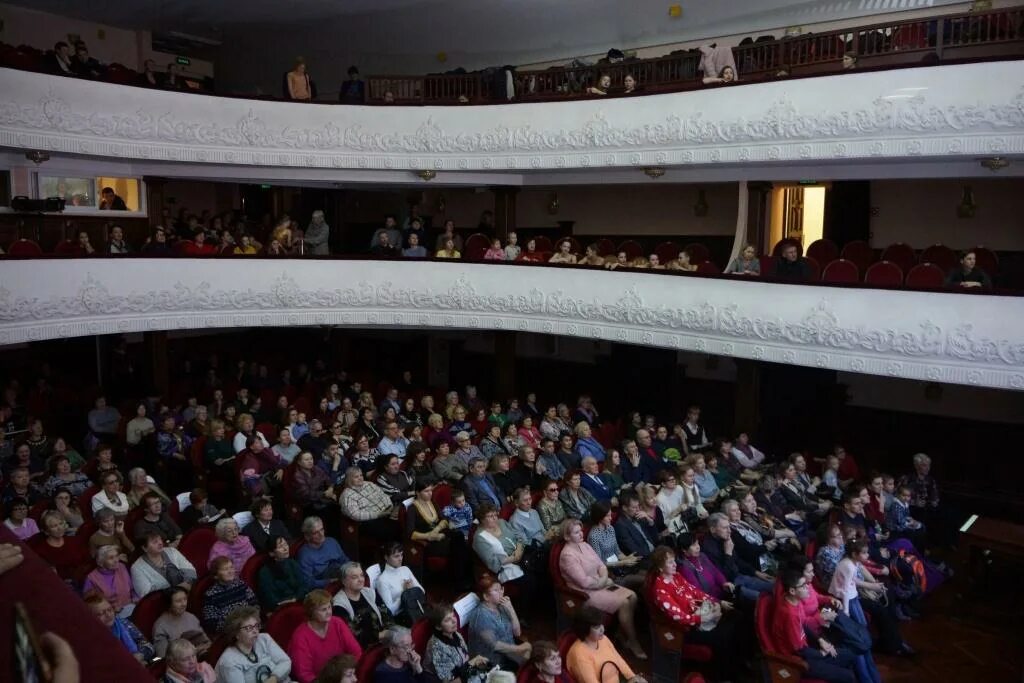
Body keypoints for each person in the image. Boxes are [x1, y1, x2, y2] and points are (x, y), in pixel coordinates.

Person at [648, 546, 747, 679]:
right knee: (723, 636)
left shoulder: (676, 576)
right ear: (660, 568)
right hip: (687, 629)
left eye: (674, 561)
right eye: (670, 562)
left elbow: (696, 592)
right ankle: (724, 676)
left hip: (700, 614)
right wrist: (705, 618)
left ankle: (738, 664)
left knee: (737, 617)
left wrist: (718, 602)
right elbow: (680, 617)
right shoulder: (660, 590)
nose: (675, 564)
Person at [559, 520, 645, 659]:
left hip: (600, 583)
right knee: (624, 603)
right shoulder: (567, 556)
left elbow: (601, 565)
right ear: (567, 537)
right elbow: (583, 582)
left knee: (633, 596)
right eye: (576, 532)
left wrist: (604, 577)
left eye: (581, 530)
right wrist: (604, 582)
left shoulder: (585, 545)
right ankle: (633, 642)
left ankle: (622, 634)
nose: (581, 534)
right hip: (585, 593)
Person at [772, 568, 858, 683]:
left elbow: (803, 625)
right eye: (803, 586)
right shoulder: (789, 615)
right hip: (799, 660)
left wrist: (820, 640)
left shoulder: (794, 601)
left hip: (807, 647)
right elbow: (798, 649)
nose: (808, 587)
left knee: (850, 656)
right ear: (792, 591)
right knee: (848, 676)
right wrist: (821, 653)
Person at [288, 589, 362, 683]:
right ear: (312, 612)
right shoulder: (300, 636)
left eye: (329, 607)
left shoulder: (337, 623)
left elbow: (356, 652)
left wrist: (349, 674)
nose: (328, 612)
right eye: (323, 609)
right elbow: (304, 674)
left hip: (344, 677)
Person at [702, 512, 774, 600]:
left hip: (741, 576)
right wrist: (728, 553)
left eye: (729, 526)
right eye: (725, 528)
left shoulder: (724, 537)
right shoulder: (708, 549)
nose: (729, 530)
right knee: (766, 600)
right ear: (713, 529)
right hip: (732, 585)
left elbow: (738, 561)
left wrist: (756, 573)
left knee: (774, 587)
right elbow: (726, 576)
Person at [565, 607, 647, 683]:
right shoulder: (579, 654)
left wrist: (633, 677)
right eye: (596, 627)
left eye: (602, 624)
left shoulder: (603, 639)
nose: (602, 629)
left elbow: (618, 659)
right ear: (584, 629)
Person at [466, 576, 531, 670]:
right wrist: (520, 649)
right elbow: (494, 645)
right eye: (496, 590)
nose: (501, 592)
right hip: (492, 662)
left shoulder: (502, 606)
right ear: (486, 596)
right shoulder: (481, 616)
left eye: (501, 588)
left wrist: (511, 609)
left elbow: (517, 633)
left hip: (508, 653)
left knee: (535, 657)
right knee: (531, 662)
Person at [214, 605, 292, 682]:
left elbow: (285, 661)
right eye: (249, 628)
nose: (255, 631)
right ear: (236, 633)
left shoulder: (264, 639)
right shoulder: (229, 661)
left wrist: (273, 679)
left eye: (256, 626)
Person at [332, 561, 394, 648]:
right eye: (355, 577)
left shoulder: (370, 592)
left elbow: (387, 614)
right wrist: (381, 635)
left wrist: (391, 632)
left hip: (383, 642)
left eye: (362, 575)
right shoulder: (339, 605)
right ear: (344, 581)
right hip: (361, 649)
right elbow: (351, 636)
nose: (361, 579)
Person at [424, 602, 488, 683]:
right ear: (438, 627)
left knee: (489, 670)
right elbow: (450, 681)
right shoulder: (436, 646)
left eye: (453, 616)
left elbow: (464, 662)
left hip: (463, 675)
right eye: (447, 620)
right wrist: (472, 664)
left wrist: (475, 665)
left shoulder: (455, 634)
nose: (454, 621)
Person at [84, 592, 155, 664]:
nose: (108, 615)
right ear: (91, 619)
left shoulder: (124, 623)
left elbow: (149, 646)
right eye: (100, 613)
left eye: (109, 609)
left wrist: (140, 655)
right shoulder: (92, 640)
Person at [472, 503, 529, 587]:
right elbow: (493, 563)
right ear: (482, 519)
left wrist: (518, 551)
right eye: (491, 516)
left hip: (522, 553)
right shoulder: (479, 538)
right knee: (529, 580)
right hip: (508, 566)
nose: (495, 518)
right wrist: (514, 558)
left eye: (495, 514)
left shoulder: (502, 522)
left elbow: (518, 536)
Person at [338, 467, 400, 541]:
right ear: (349, 480)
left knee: (403, 519)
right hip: (369, 521)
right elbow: (355, 514)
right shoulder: (347, 495)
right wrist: (378, 514)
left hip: (386, 512)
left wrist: (390, 506)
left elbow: (383, 495)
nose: (360, 478)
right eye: (356, 477)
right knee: (390, 529)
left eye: (361, 475)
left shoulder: (369, 484)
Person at [131, 532, 198, 597]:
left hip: (188, 591)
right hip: (162, 603)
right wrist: (176, 591)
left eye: (160, 539)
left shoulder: (172, 551)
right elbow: (146, 594)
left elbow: (191, 571)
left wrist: (185, 585)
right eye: (155, 542)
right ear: (144, 548)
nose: (160, 543)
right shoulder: (137, 568)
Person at [203, 555, 259, 632]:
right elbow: (212, 624)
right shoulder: (211, 595)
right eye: (225, 569)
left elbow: (255, 605)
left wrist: (251, 621)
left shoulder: (241, 584)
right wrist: (238, 624)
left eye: (231, 567)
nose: (230, 571)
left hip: (251, 625)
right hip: (231, 631)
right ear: (216, 575)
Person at [374, 542, 426, 622]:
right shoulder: (382, 580)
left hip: (416, 610)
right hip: (401, 618)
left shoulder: (405, 569)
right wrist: (405, 592)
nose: (400, 558)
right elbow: (390, 611)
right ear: (386, 557)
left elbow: (422, 591)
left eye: (401, 555)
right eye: (396, 556)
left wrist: (412, 589)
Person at [83, 545, 138, 618]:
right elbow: (90, 604)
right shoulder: (91, 578)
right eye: (111, 558)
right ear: (101, 562)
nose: (116, 560)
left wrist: (135, 599)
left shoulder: (121, 567)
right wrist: (111, 609)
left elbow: (132, 589)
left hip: (130, 608)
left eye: (117, 556)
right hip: (109, 615)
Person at [153, 586, 207, 659]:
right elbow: (164, 657)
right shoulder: (160, 627)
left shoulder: (191, 617)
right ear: (169, 604)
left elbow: (206, 642)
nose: (184, 604)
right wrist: (196, 651)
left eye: (185, 599)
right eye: (178, 601)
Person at [298, 515, 349, 588]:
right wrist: (328, 582)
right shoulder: (304, 555)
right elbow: (307, 582)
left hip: (342, 573)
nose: (321, 534)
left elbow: (344, 559)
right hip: (325, 584)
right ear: (307, 536)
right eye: (316, 532)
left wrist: (351, 568)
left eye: (322, 529)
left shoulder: (331, 541)